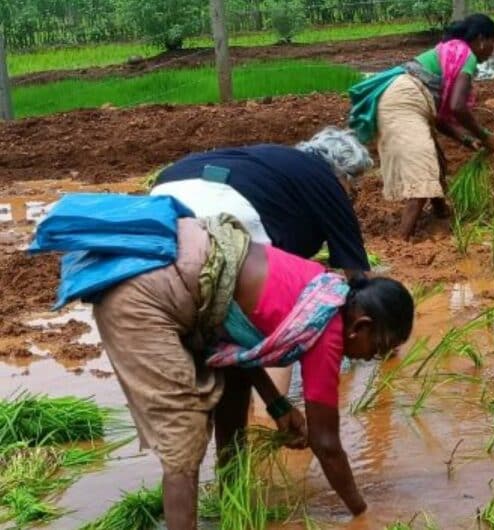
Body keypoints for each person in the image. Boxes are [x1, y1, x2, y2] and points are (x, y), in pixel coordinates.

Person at [33, 195, 415, 530]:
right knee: (184, 433)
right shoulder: (328, 329)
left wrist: (278, 404)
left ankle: (231, 501)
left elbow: (240, 350)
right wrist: (363, 515)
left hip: (180, 270)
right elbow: (326, 443)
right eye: (378, 348)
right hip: (144, 297)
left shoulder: (318, 287)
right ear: (360, 326)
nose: (373, 358)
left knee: (230, 393)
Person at [348, 14, 494, 241]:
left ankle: (441, 215)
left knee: (434, 162)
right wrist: (485, 136)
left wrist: (467, 140)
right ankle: (401, 242)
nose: (492, 49)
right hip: (404, 101)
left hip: (406, 99)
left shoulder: (452, 52)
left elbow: (438, 119)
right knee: (422, 174)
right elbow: (458, 107)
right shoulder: (466, 55)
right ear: (480, 39)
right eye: (493, 42)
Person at [152, 127, 373, 280]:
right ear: (344, 175)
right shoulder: (325, 179)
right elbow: (357, 273)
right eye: (352, 186)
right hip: (226, 208)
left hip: (164, 194)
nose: (350, 194)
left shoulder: (272, 159)